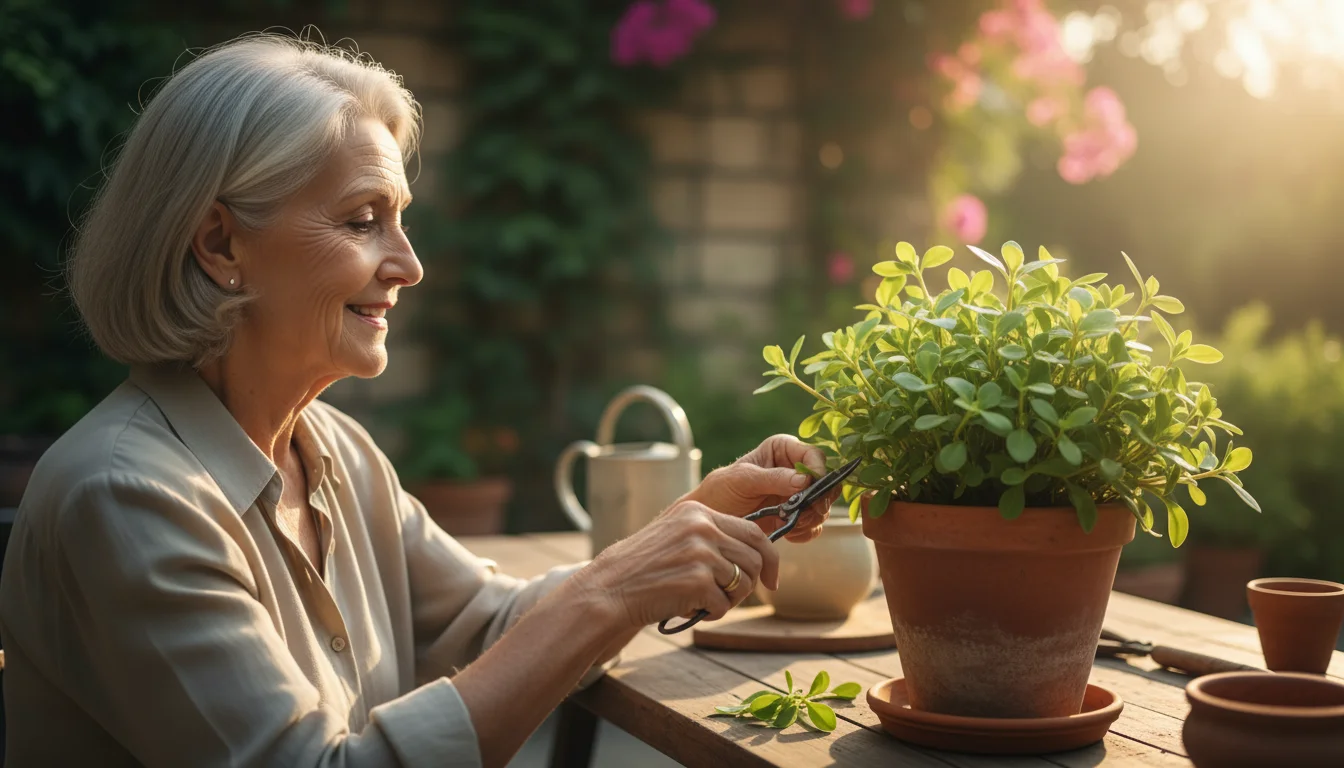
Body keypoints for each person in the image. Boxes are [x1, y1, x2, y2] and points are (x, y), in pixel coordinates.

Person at [0, 33, 838, 767]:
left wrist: (683, 530)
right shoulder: (126, 496)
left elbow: (488, 623)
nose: (409, 264)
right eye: (364, 220)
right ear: (221, 243)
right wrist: (614, 587)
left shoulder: (333, 451)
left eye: (400, 218)